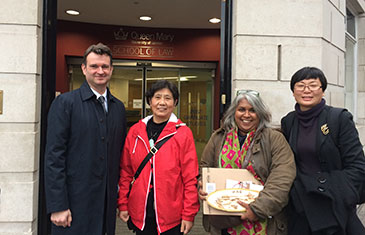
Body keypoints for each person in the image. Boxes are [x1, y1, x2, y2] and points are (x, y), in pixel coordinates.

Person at [44, 43, 127, 235]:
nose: (100, 71)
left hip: (105, 207)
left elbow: (119, 156)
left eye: (105, 66)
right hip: (72, 206)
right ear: (83, 69)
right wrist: (58, 205)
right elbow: (54, 157)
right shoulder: (65, 103)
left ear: (111, 69)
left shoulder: (118, 108)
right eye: (94, 66)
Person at [281, 66, 365, 235]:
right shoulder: (289, 121)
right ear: (293, 91)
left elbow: (357, 166)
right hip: (303, 205)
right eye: (301, 85)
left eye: (313, 85)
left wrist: (337, 193)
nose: (307, 90)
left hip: (334, 203)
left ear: (323, 91)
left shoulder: (339, 118)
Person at [199, 90, 296, 235]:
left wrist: (257, 209)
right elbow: (205, 168)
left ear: (261, 114)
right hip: (224, 221)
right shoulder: (218, 137)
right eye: (241, 110)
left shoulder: (274, 139)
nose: (246, 115)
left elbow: (282, 179)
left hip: (262, 223)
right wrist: (202, 184)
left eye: (253, 110)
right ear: (234, 112)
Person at [118, 80, 200, 235]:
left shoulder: (182, 133)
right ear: (150, 101)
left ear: (175, 102)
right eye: (157, 97)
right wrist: (122, 203)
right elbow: (126, 172)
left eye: (168, 98)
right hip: (140, 212)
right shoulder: (136, 131)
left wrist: (189, 214)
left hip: (171, 214)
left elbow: (190, 178)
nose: (162, 102)